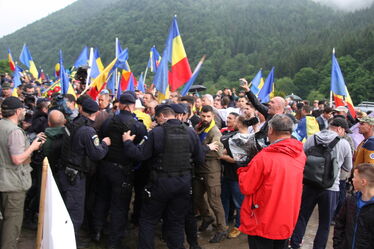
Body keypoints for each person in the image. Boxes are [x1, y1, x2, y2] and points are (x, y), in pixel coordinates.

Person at [122, 104, 205, 249]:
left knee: (148, 220)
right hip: (183, 184)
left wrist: (128, 142)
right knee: (176, 222)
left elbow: (141, 155)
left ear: (162, 116)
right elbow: (200, 158)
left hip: (160, 183)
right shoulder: (191, 132)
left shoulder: (157, 132)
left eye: (157, 118)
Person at [238, 114, 306, 249]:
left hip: (264, 219)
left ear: (270, 130)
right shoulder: (300, 154)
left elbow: (246, 186)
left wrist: (243, 170)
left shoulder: (264, 157)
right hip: (286, 217)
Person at [92, 93, 147, 249]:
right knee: (120, 206)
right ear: (131, 106)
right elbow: (142, 148)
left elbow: (102, 137)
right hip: (123, 170)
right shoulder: (137, 125)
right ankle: (114, 241)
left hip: (105, 166)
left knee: (101, 199)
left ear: (121, 104)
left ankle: (97, 230)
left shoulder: (109, 120)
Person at [290, 117, 353, 249]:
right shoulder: (344, 144)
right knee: (325, 223)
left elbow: (303, 156)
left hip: (309, 184)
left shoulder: (312, 138)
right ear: (340, 129)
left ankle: (295, 244)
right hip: (331, 188)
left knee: (302, 217)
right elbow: (348, 167)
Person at [58, 98, 111, 248]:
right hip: (75, 175)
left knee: (67, 208)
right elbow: (97, 154)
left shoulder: (72, 122)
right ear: (96, 113)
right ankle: (69, 243)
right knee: (75, 213)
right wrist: (104, 144)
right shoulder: (88, 131)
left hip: (65, 170)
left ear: (81, 109)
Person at [0, 97, 46, 249]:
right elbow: (17, 159)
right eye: (22, 110)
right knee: (11, 225)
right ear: (18, 111)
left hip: (3, 181)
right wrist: (33, 147)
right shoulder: (14, 131)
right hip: (12, 185)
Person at [194, 105, 227, 243]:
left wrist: (200, 151)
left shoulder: (215, 132)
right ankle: (207, 217)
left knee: (214, 200)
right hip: (199, 169)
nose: (205, 119)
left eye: (208, 116)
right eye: (203, 116)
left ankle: (222, 229)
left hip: (211, 170)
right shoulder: (200, 127)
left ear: (213, 116)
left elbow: (218, 153)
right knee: (196, 196)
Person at [333, 163, 374, 249]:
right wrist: (338, 245)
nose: (352, 179)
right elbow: (340, 223)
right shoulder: (350, 200)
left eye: (355, 177)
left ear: (363, 182)